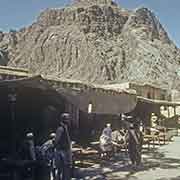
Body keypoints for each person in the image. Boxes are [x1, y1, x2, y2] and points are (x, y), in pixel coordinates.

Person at [54, 113, 72, 180]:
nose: (69, 120)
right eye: (67, 119)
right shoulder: (60, 128)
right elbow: (56, 140)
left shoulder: (66, 128)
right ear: (64, 119)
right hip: (61, 150)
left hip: (66, 149)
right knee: (60, 168)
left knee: (66, 167)